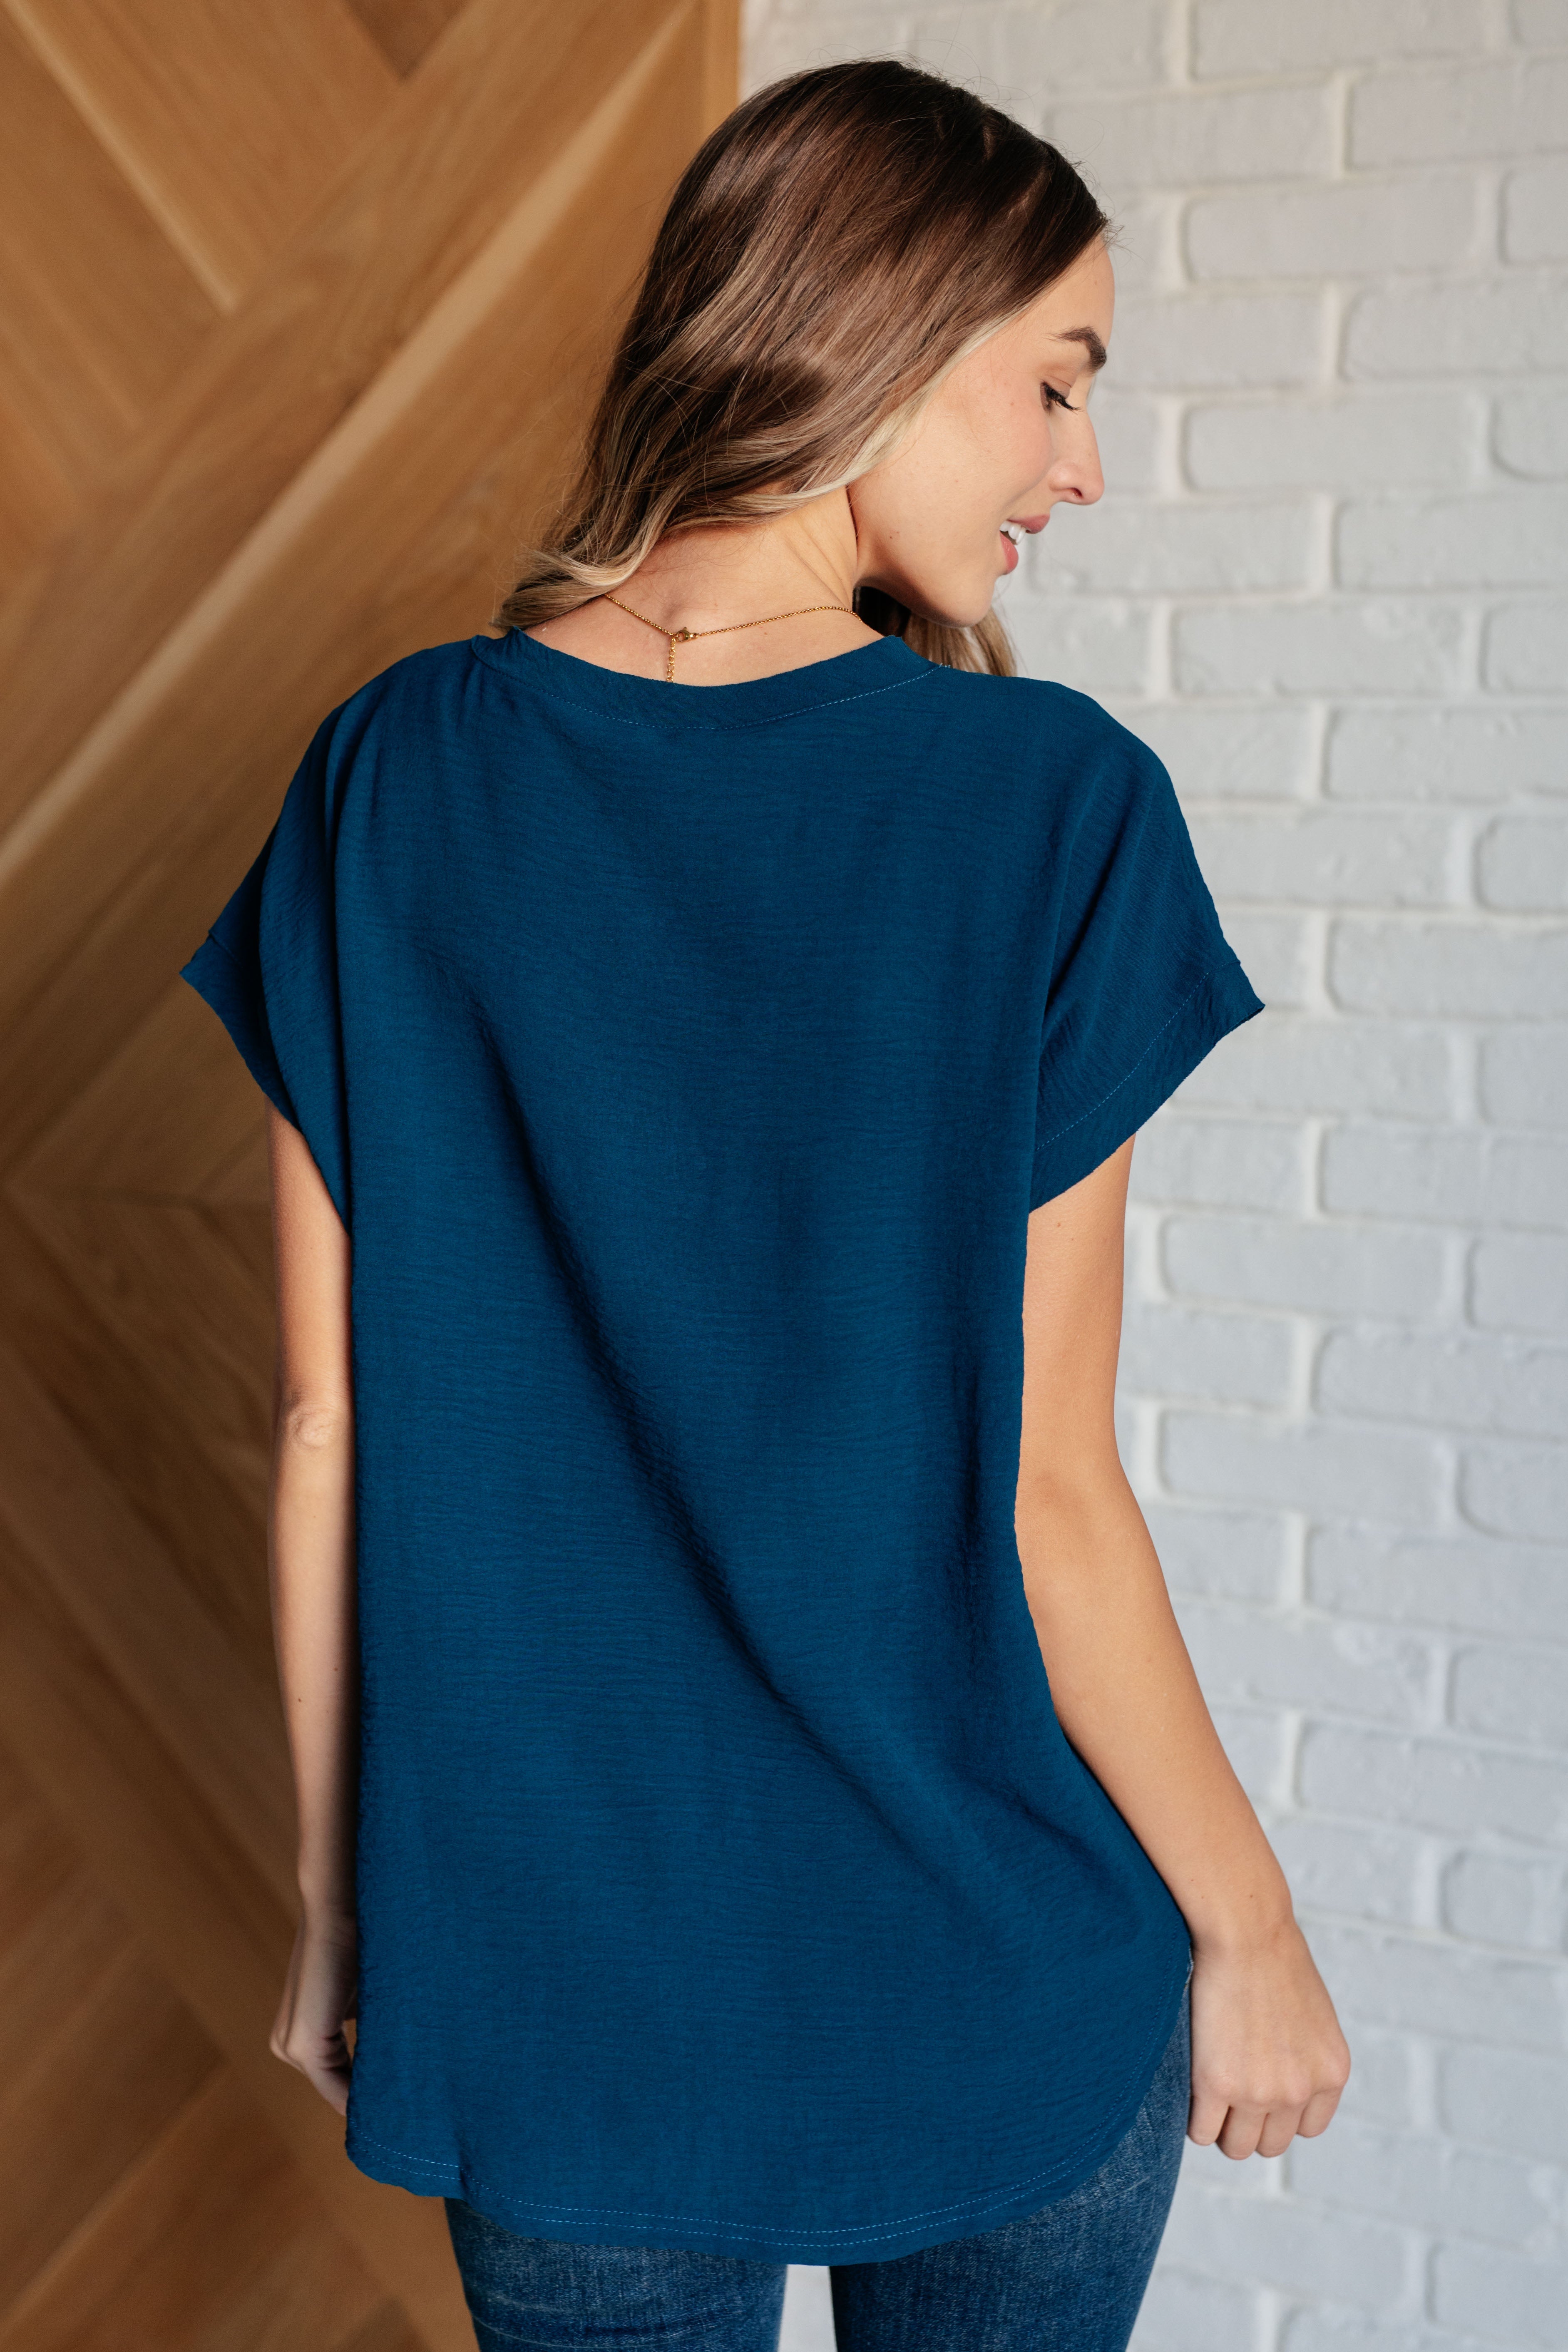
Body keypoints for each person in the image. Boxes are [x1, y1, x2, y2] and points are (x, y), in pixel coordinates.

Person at [179, 55, 1350, 2352]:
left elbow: (326, 1429)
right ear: (879, 334)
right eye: (1054, 381)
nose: (1081, 466)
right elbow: (1045, 1492)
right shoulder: (1051, 802)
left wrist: (342, 1907)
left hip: (550, 1990)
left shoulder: (390, 776)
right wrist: (1254, 1927)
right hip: (1000, 1958)